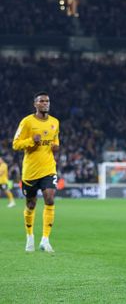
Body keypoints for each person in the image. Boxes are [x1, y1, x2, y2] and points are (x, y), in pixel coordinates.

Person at [12, 91, 60, 253]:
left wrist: (55, 147)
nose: (45, 103)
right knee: (31, 204)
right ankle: (29, 236)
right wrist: (32, 140)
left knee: (50, 198)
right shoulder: (27, 122)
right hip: (31, 172)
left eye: (47, 101)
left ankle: (45, 239)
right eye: (42, 101)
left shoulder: (55, 122)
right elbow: (16, 144)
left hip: (48, 168)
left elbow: (55, 140)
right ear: (35, 104)